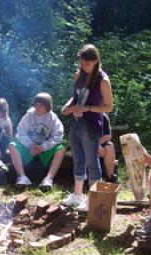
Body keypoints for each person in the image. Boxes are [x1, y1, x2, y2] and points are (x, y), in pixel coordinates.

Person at [60, 44, 114, 210]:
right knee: (78, 159)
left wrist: (87, 108)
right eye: (81, 63)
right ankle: (77, 195)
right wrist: (67, 106)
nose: (83, 67)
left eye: (86, 64)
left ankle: (93, 199)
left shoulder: (103, 80)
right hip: (75, 123)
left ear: (96, 61)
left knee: (92, 162)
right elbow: (75, 96)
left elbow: (109, 107)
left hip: (91, 125)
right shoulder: (79, 75)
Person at [8, 92, 65, 191]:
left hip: (45, 148)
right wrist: (30, 145)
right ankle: (22, 177)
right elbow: (20, 132)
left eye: (41, 105)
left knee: (61, 149)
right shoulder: (29, 115)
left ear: (47, 106)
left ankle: (48, 179)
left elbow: (58, 135)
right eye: (36, 105)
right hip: (29, 146)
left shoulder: (52, 118)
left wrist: (43, 147)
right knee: (12, 145)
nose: (37, 108)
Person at [99, 113, 117, 183]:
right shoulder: (83, 115)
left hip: (99, 144)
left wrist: (97, 144)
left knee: (109, 146)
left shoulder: (103, 116)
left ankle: (110, 178)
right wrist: (93, 146)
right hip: (84, 144)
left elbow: (107, 136)